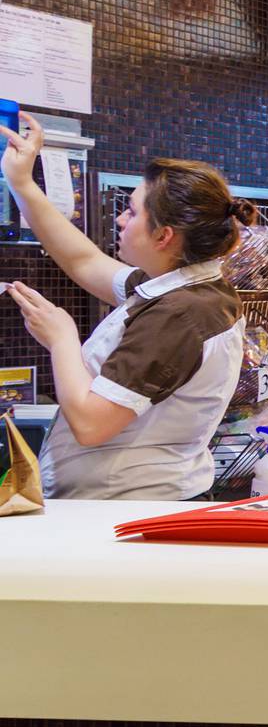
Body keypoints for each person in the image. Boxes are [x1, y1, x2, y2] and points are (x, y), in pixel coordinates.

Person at [2, 111, 253, 500]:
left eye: (133, 212)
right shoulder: (183, 287)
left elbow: (91, 424)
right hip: (125, 501)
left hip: (133, 507)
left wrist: (62, 337)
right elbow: (83, 261)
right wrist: (21, 183)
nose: (121, 219)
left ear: (164, 236)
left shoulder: (179, 314)